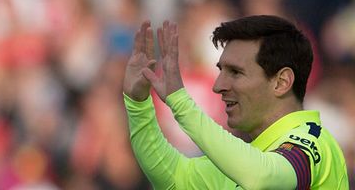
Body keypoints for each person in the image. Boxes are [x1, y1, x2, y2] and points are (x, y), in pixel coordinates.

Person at [123, 17, 349, 189]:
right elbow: (174, 178)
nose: (218, 85)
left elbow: (264, 178)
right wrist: (138, 105)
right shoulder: (243, 159)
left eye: (236, 72)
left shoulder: (313, 142)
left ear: (281, 82)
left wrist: (181, 102)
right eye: (221, 71)